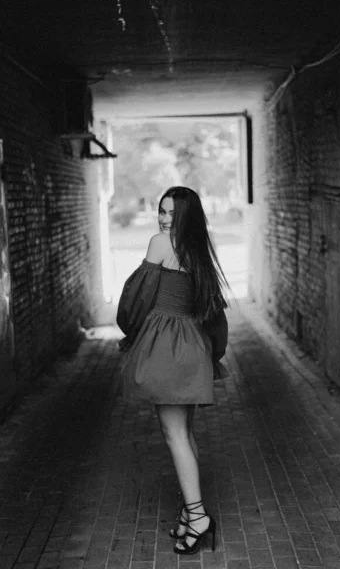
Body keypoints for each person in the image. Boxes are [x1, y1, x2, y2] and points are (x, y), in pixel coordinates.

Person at [116, 186, 229, 555]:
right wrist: (214, 353)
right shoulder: (199, 247)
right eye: (161, 211)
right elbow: (214, 312)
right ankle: (189, 513)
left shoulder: (161, 243)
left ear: (184, 216)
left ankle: (198, 517)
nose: (163, 218)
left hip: (167, 345)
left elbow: (137, 298)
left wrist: (131, 333)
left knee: (174, 434)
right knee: (186, 433)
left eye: (170, 212)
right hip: (192, 344)